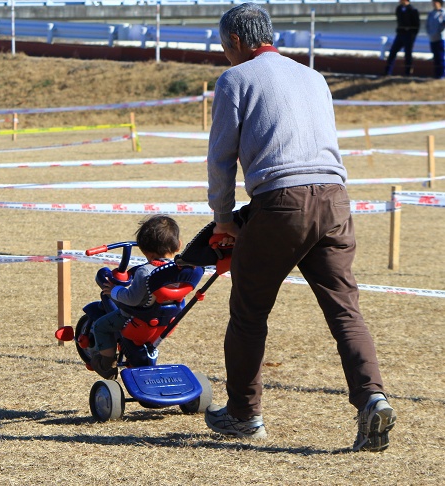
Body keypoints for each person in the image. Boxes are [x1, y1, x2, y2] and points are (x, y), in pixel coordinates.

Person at [203, 3, 396, 452]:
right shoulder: (314, 77)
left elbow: (220, 158)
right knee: (345, 310)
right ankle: (373, 398)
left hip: (281, 203)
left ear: (234, 41)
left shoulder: (235, 79)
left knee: (249, 313)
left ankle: (243, 415)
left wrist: (224, 219)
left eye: (222, 44)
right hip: (335, 200)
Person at [90, 214, 181, 379]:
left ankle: (106, 364)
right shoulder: (181, 270)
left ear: (144, 250)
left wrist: (115, 291)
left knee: (100, 327)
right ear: (178, 245)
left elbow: (132, 298)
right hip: (167, 322)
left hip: (137, 319)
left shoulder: (145, 271)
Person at [385, 0, 421, 76]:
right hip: (400, 33)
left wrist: (412, 35)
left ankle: (408, 72)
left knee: (408, 53)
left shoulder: (413, 10)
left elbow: (416, 25)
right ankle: (387, 72)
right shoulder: (399, 9)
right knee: (393, 52)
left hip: (409, 35)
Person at [426, 0, 445, 78]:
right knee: (436, 57)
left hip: (441, 38)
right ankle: (437, 75)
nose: (433, 3)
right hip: (432, 38)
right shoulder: (431, 14)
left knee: (441, 57)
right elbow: (427, 25)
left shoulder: (443, 13)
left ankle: (442, 75)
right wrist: (430, 33)